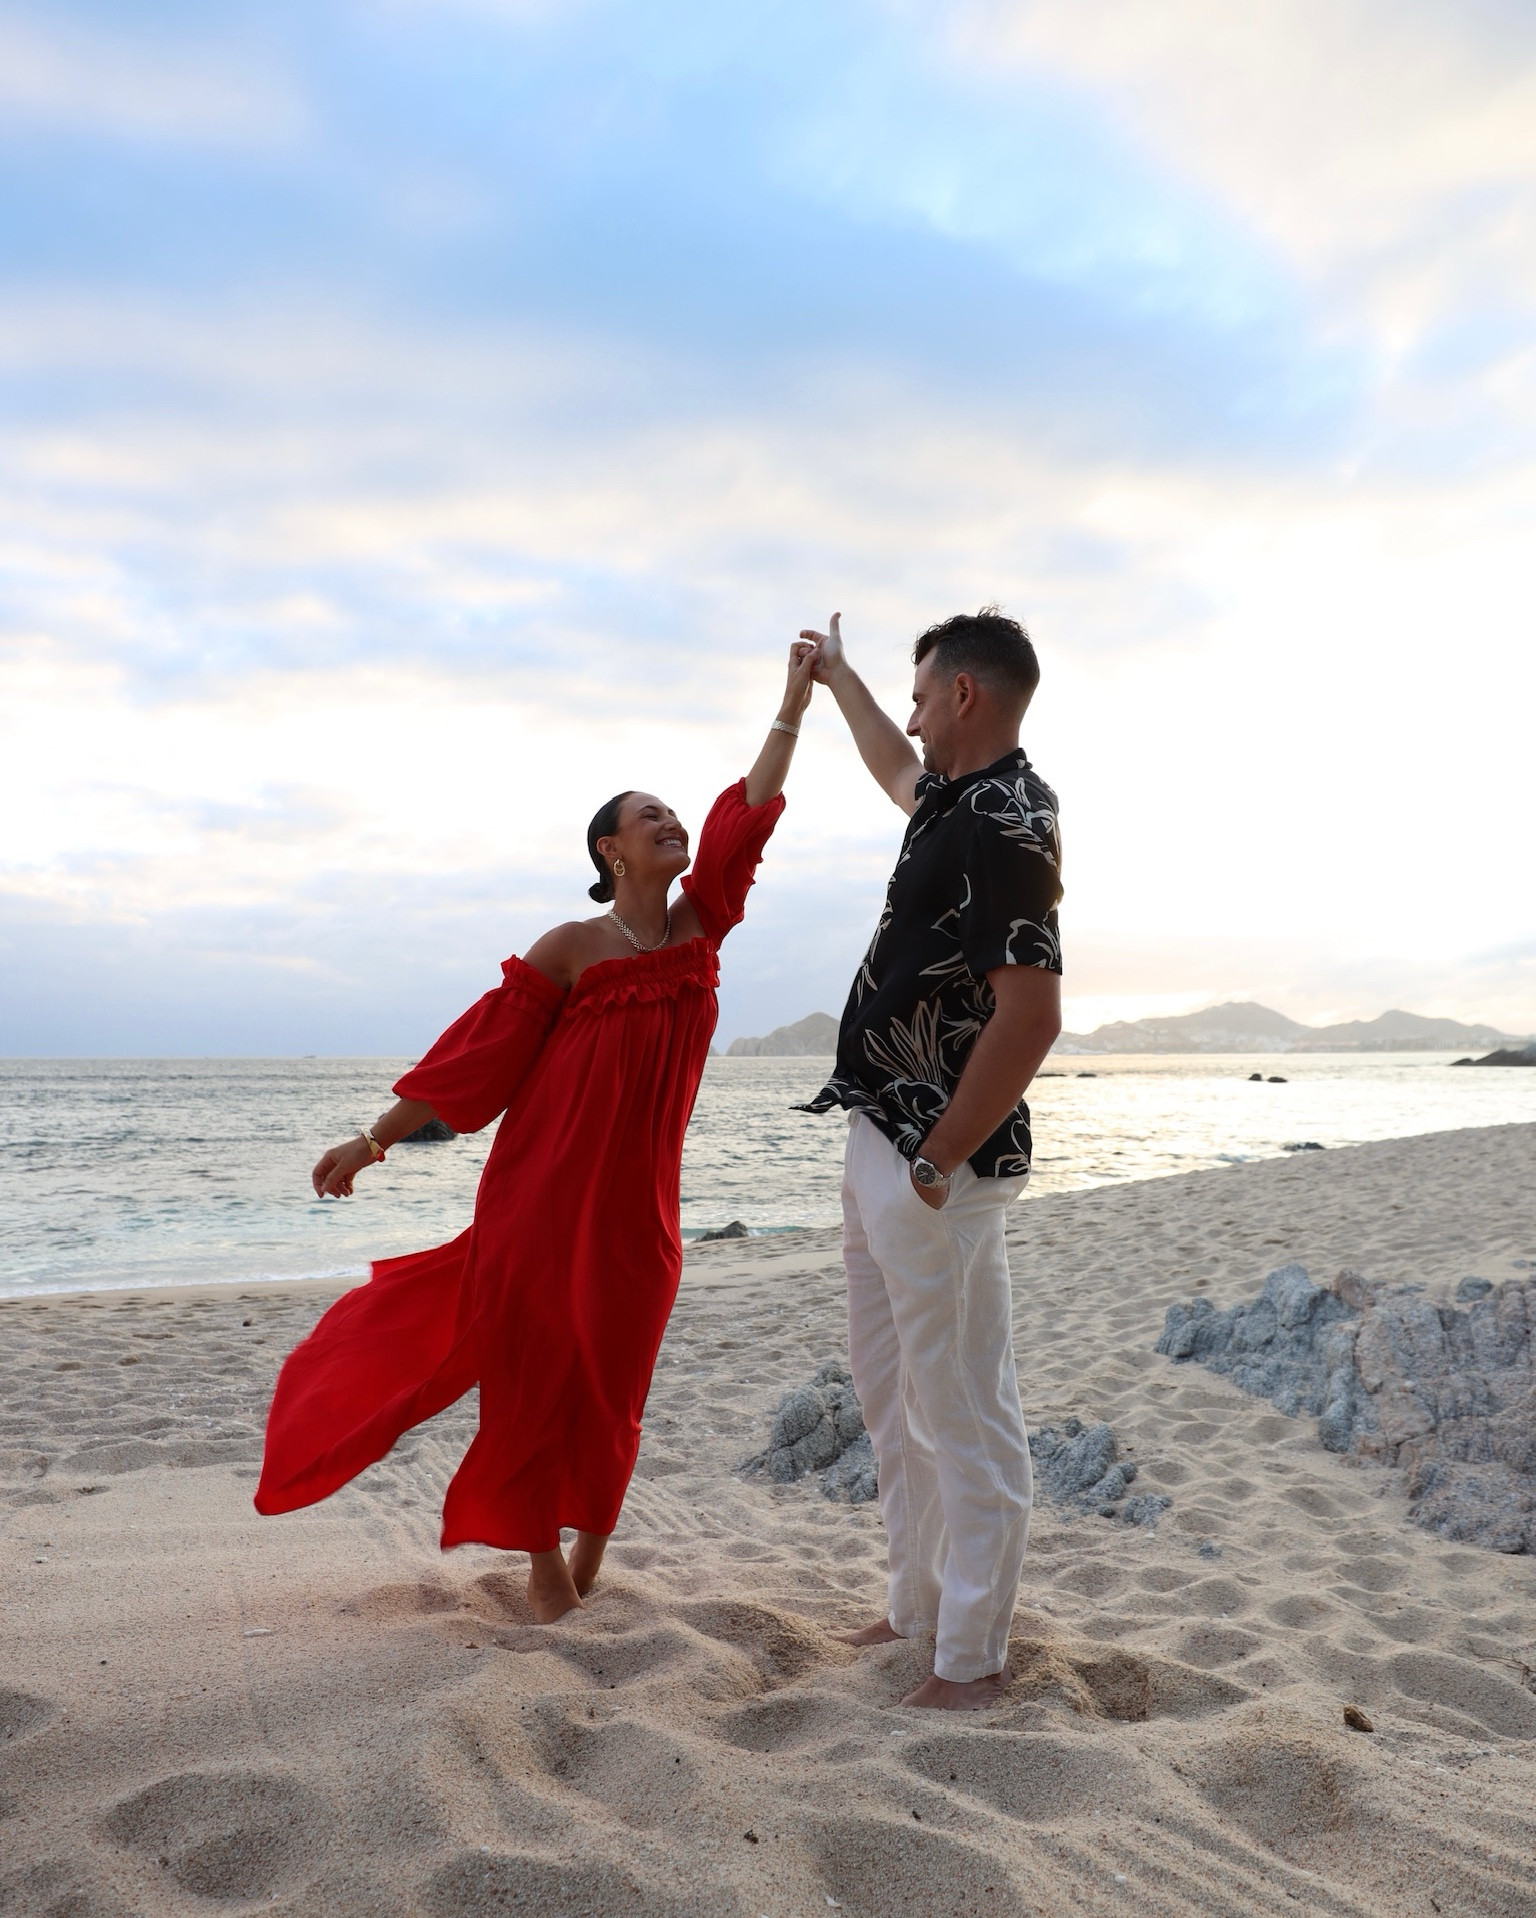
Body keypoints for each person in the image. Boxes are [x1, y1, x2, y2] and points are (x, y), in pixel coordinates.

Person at [255, 645, 816, 1623]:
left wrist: (792, 701)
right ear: (610, 849)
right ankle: (544, 1561)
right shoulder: (571, 948)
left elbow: (746, 819)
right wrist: (372, 1140)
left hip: (643, 1208)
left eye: (674, 814)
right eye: (652, 816)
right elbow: (472, 1058)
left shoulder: (700, 931)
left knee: (616, 1376)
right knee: (535, 1374)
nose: (674, 823)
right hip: (542, 1196)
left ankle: (593, 1535)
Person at [797, 607, 1063, 1710]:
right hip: (881, 1132)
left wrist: (939, 1155)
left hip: (931, 1158)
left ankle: (971, 1658)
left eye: (918, 694)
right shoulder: (951, 802)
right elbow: (893, 764)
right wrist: (842, 683)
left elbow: (1033, 1012)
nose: (908, 718)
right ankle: (914, 1603)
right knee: (891, 1392)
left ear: (965, 694)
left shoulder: (1009, 815)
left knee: (963, 1409)